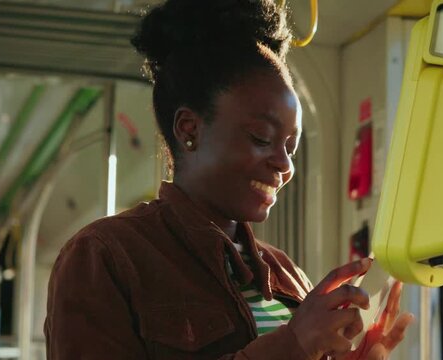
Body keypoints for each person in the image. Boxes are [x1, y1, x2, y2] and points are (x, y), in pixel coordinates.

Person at [44, 0, 414, 359]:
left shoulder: (285, 272)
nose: (284, 165)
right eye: (261, 139)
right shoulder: (105, 256)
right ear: (190, 129)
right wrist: (293, 346)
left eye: (291, 147)